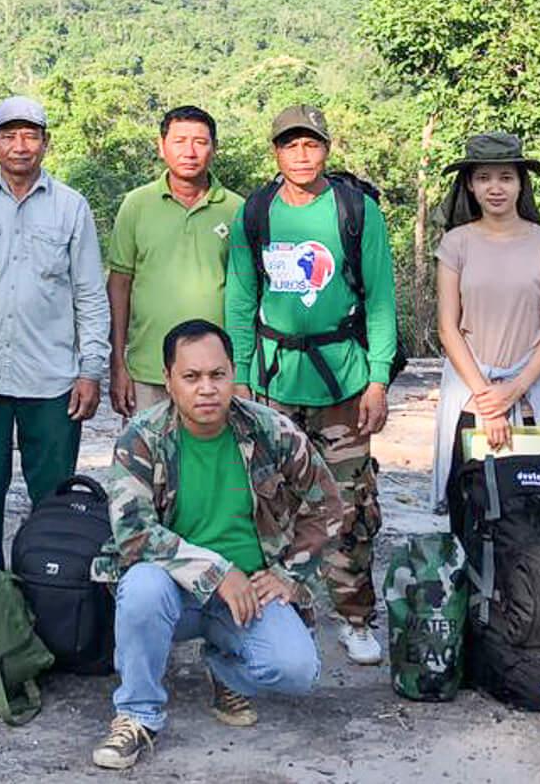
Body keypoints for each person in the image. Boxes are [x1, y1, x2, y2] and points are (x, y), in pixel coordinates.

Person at [89, 319, 341, 770]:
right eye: (191, 377)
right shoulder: (142, 438)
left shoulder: (270, 430)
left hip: (247, 594)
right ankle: (136, 715)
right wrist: (217, 572)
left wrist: (289, 575)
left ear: (231, 374)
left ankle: (226, 669)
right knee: (141, 587)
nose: (206, 389)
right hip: (174, 593)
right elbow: (133, 532)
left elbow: (329, 503)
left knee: (298, 670)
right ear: (168, 380)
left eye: (217, 375)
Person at [223, 105, 397, 667]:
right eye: (290, 145)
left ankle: (355, 616)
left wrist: (377, 379)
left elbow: (381, 300)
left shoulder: (357, 212)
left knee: (350, 505)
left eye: (311, 145)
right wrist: (242, 379)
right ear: (275, 151)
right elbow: (241, 301)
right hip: (274, 384)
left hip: (343, 382)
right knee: (274, 506)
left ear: (326, 148)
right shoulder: (257, 214)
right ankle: (289, 612)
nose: (301, 155)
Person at [0, 95, 108, 561]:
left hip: (52, 380)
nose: (20, 146)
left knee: (54, 501)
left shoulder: (72, 208)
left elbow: (90, 294)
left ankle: (50, 597)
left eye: (30, 135)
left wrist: (92, 369)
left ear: (46, 143)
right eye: (9, 135)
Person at [430, 132, 540, 512]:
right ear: (470, 186)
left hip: (529, 393)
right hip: (468, 391)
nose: (496, 188)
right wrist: (488, 402)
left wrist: (516, 388)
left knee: (531, 508)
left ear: (521, 184)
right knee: (470, 506)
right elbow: (448, 327)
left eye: (506, 177)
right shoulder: (455, 244)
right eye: (484, 178)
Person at [105, 106, 244, 416]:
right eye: (180, 141)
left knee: (213, 461)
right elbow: (119, 285)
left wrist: (242, 372)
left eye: (200, 141)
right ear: (161, 146)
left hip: (215, 375)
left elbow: (247, 295)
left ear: (214, 147)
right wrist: (118, 365)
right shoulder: (137, 205)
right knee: (147, 460)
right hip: (148, 371)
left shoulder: (237, 210)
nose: (190, 151)